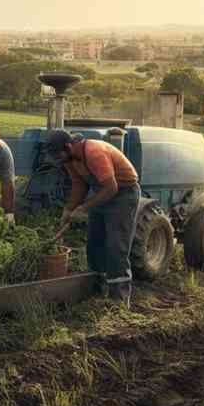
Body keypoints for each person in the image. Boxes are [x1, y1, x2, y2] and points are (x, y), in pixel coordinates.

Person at [47, 129, 141, 306]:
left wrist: (83, 208)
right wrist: (68, 209)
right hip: (102, 192)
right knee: (94, 242)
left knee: (116, 245)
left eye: (57, 154)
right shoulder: (68, 158)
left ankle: (119, 300)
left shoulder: (94, 152)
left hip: (123, 194)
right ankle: (97, 290)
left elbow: (111, 188)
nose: (56, 158)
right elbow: (79, 184)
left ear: (67, 146)